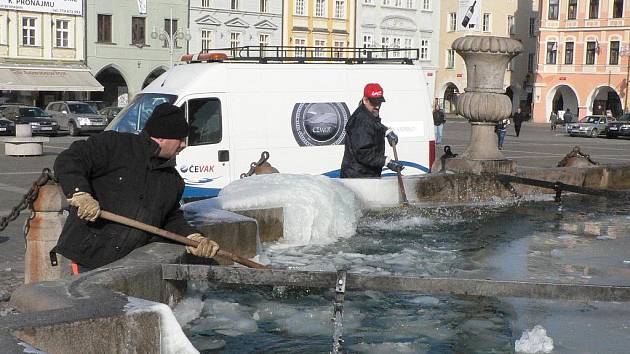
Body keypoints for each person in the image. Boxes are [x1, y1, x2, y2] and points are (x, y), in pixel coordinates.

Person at [53, 103, 219, 275]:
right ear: (162, 137)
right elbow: (71, 159)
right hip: (87, 256)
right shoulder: (115, 145)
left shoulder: (173, 181)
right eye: (181, 139)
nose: (184, 145)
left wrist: (191, 237)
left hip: (128, 265)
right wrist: (79, 193)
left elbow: (169, 218)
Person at [340, 83, 404, 178]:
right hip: (358, 177)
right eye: (374, 103)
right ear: (365, 100)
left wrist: (386, 131)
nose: (377, 106)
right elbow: (363, 153)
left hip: (365, 174)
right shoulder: (361, 121)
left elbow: (374, 125)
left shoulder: (368, 114)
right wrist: (386, 161)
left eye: (379, 103)